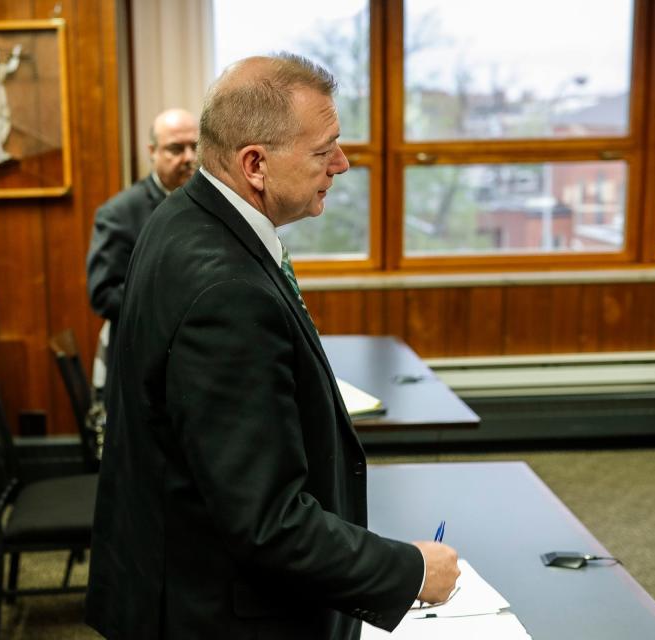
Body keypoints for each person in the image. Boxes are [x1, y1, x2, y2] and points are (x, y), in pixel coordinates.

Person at [85, 53, 459, 639]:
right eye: (323, 150)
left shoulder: (182, 215)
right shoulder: (227, 293)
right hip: (218, 610)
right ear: (254, 164)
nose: (342, 163)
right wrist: (407, 571)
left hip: (173, 571)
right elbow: (265, 520)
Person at [85, 107, 198, 364]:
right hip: (142, 357)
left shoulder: (208, 204)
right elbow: (103, 296)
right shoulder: (118, 213)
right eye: (176, 149)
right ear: (152, 152)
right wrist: (174, 293)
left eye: (195, 146)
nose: (189, 157)